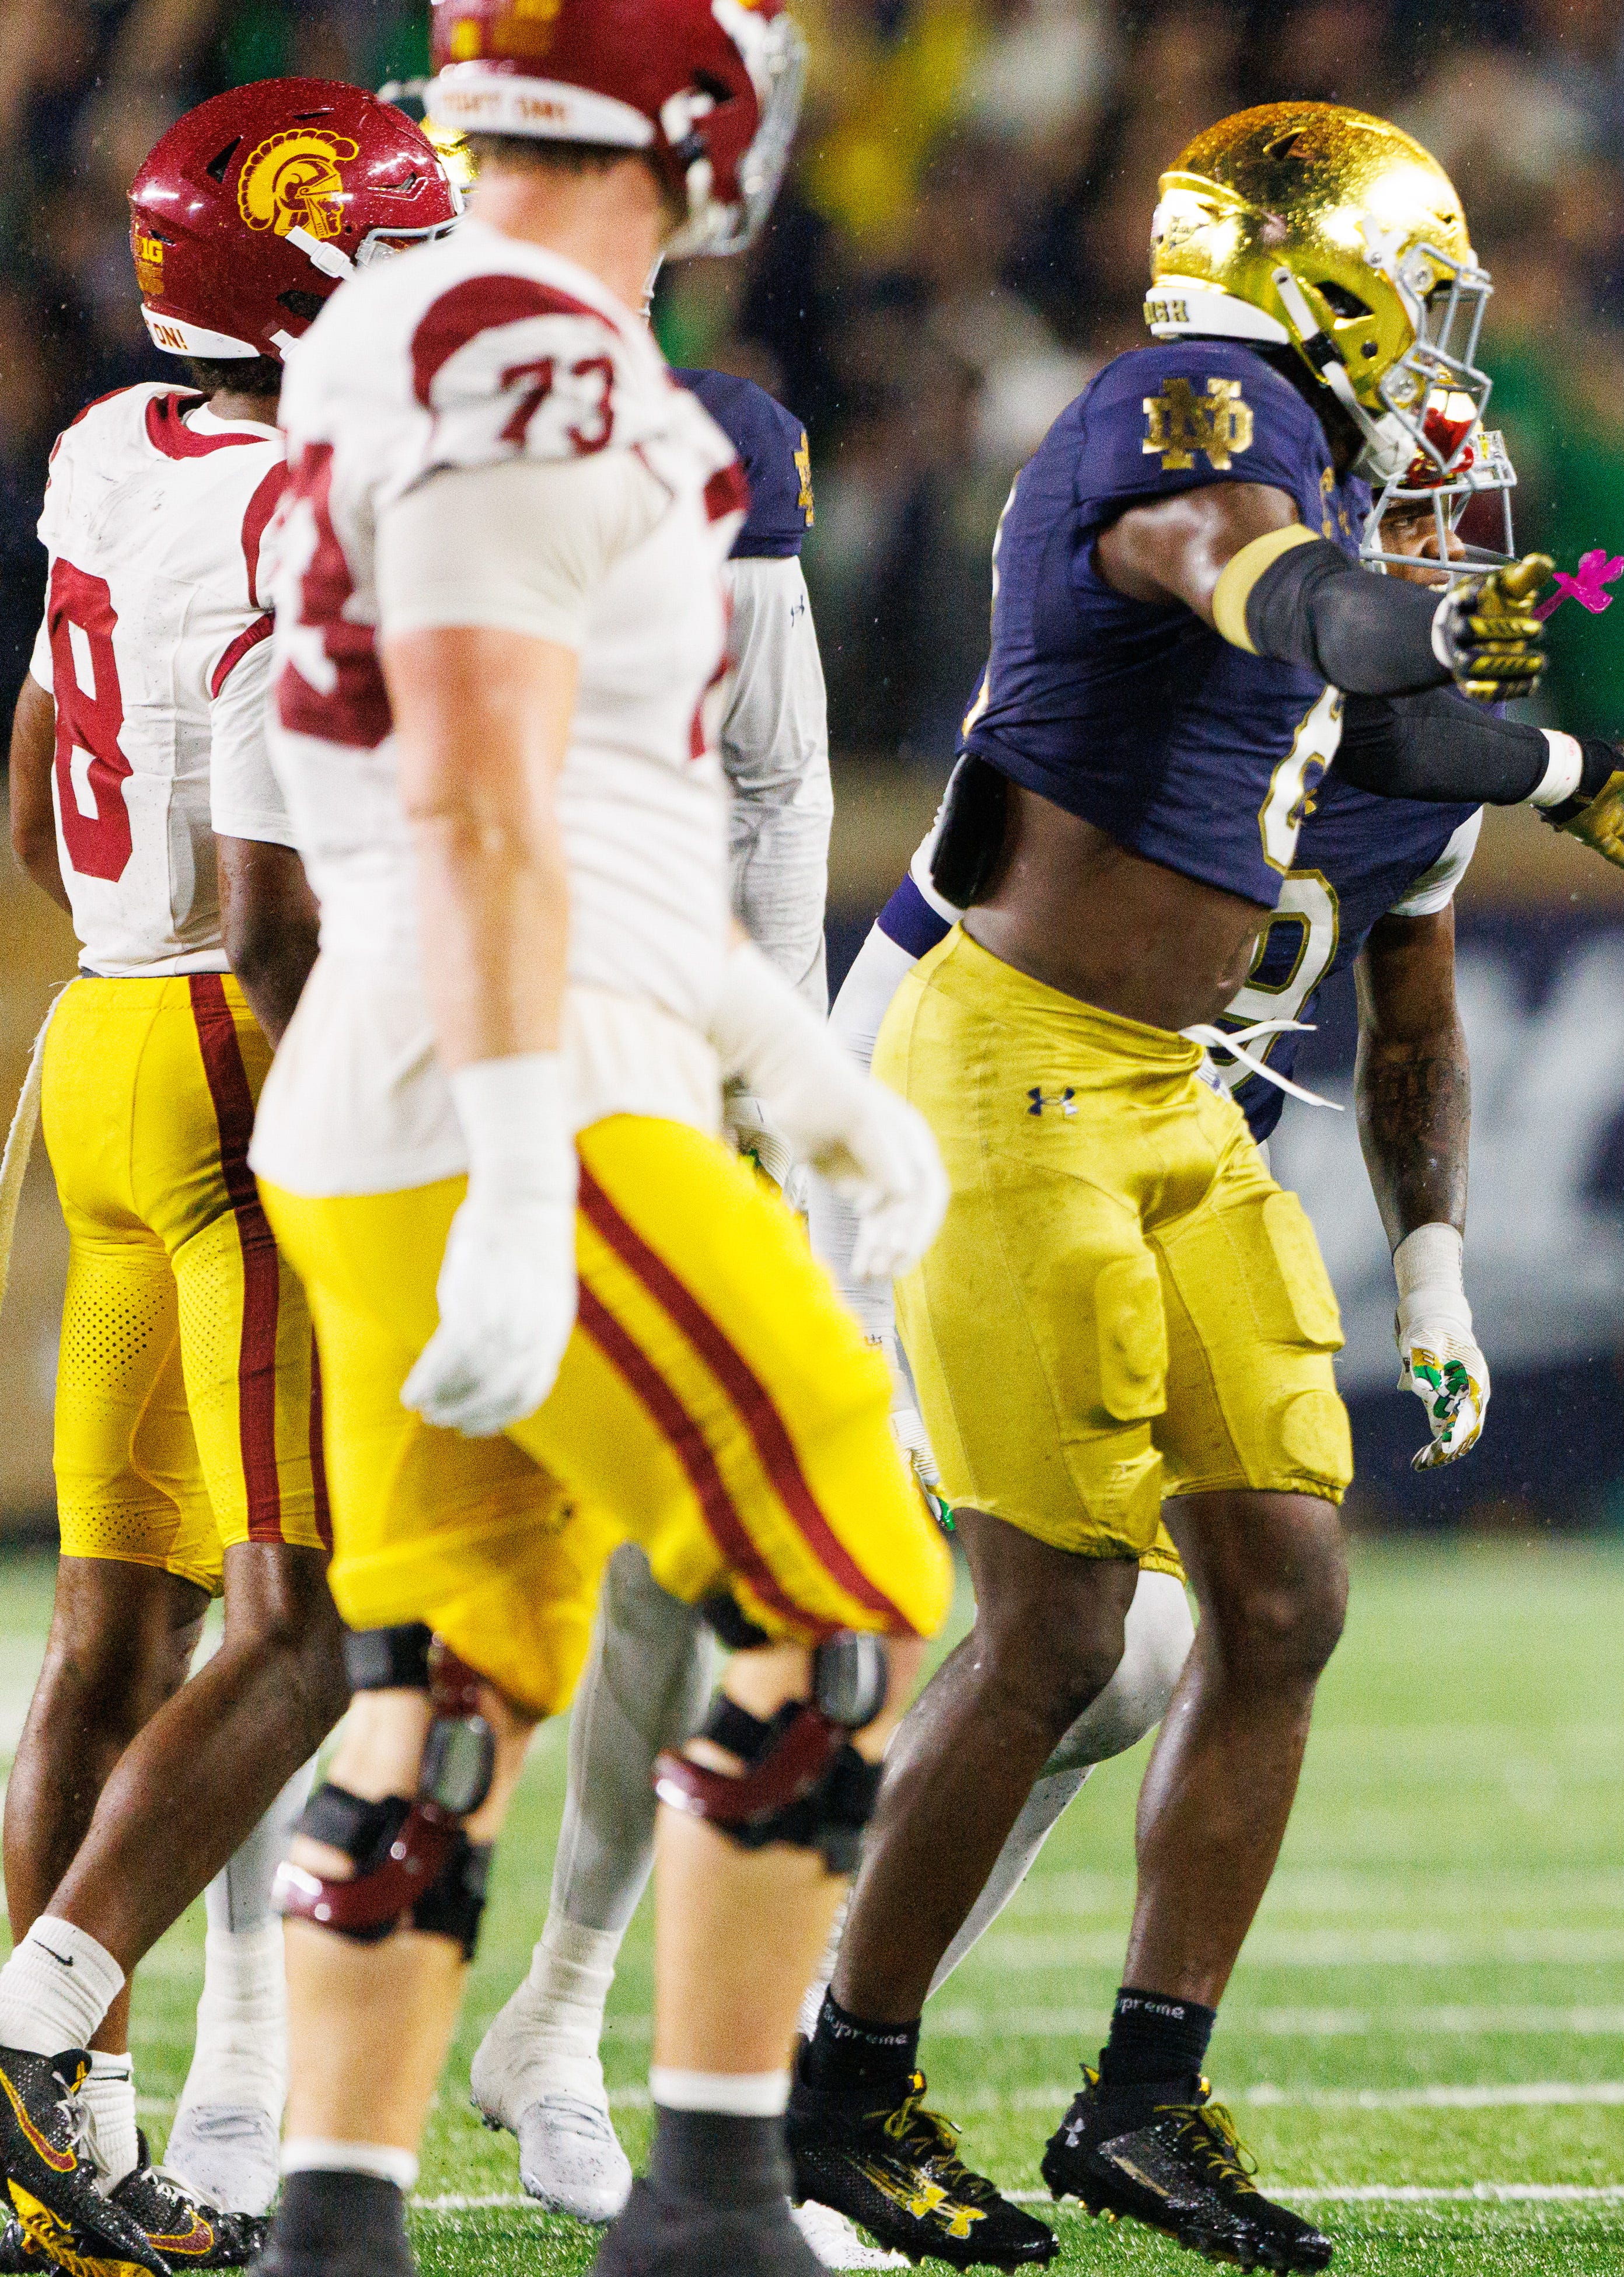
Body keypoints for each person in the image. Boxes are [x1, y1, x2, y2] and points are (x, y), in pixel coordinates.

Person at [787, 102, 1624, 2271]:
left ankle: (1142, 2093)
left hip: (1173, 1096)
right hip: (1002, 1061)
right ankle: (837, 2084)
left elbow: (1401, 746)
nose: (1437, 358)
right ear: (1328, 283)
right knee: (1056, 1629)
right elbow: (1207, 556)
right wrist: (1327, 599)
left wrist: (1554, 750)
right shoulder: (1182, 410)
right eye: (1418, 297)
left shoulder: (1318, 491)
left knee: (1283, 1595)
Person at [174, 8, 958, 2275]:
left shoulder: (403, 320)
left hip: (414, 1075)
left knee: (447, 1679)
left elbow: (556, 816)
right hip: (515, 1084)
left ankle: (336, 2216)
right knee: (834, 1576)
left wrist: (781, 1054)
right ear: (692, 113)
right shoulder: (547, 358)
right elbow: (486, 802)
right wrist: (532, 1175)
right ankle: (712, 2190)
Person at [0, 80, 459, 2273]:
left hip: (92, 1031)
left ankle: (22, 2128)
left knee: (112, 1628)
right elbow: (285, 882)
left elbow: (31, 813)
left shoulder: (104, 450)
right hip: (231, 1047)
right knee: (305, 1620)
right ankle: (39, 2021)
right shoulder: (313, 496)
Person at [454, 334, 853, 2223]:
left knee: (685, 1564)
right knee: (316, 1603)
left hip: (633, 1056)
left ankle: (559, 2015)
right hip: (407, 1041)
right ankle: (201, 2085)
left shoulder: (729, 440)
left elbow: (779, 784)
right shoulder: (356, 423)